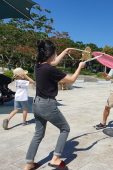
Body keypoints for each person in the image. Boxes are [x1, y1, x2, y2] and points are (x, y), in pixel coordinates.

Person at [24, 40, 85, 170]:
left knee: (38, 134)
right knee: (65, 129)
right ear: (51, 53)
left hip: (36, 104)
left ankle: (29, 163)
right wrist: (80, 66)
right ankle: (56, 159)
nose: (56, 54)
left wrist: (64, 51)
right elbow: (72, 80)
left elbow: (54, 62)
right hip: (47, 105)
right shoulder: (51, 70)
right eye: (55, 51)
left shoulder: (38, 66)